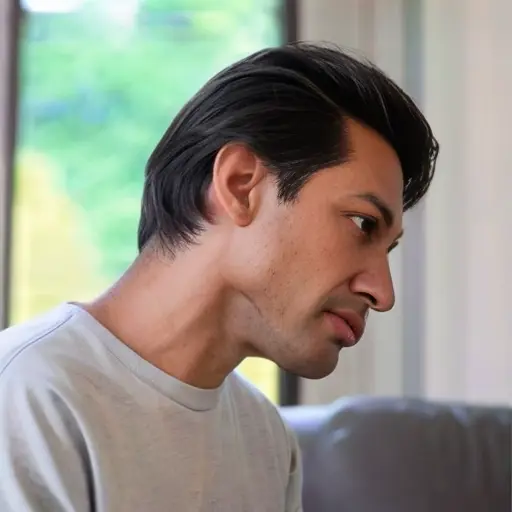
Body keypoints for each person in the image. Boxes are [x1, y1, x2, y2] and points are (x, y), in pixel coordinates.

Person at [0, 42, 438, 511]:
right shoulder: (27, 397)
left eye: (388, 249)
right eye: (363, 224)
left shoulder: (267, 441)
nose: (383, 293)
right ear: (240, 185)